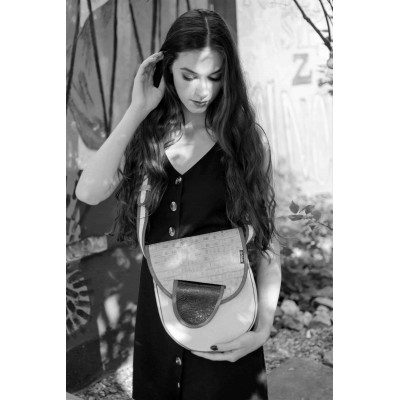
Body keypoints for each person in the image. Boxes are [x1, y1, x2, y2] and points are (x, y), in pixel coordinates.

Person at [76, 8, 281, 400]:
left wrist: (263, 329)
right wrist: (137, 109)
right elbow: (89, 192)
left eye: (213, 77)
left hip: (228, 319)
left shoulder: (243, 142)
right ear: (167, 70)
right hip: (159, 321)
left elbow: (269, 244)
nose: (201, 90)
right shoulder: (147, 137)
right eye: (188, 75)